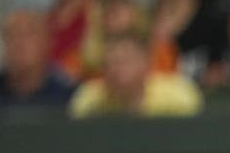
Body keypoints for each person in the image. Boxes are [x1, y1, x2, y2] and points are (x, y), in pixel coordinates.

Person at [69, 30, 203, 116]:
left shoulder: (177, 93)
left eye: (125, 61)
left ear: (145, 64)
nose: (116, 69)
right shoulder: (90, 98)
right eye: (111, 63)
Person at [0, 8, 76, 107]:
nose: (19, 43)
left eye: (29, 34)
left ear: (47, 42)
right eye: (11, 35)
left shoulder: (69, 98)